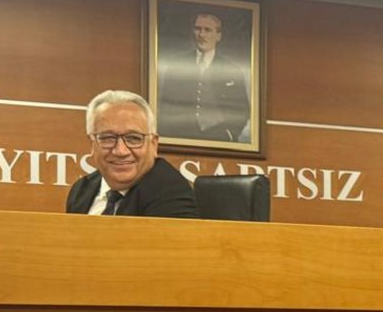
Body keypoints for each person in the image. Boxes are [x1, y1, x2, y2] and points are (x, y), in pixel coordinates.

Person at [63, 90, 198, 218]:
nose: (120, 151)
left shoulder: (171, 194)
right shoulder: (82, 190)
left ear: (153, 144)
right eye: (108, 138)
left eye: (134, 138)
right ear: (92, 144)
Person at [157, 12, 251, 143]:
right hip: (181, 136)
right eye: (198, 29)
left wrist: (229, 134)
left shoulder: (233, 70)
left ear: (218, 36)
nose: (201, 35)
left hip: (218, 137)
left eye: (207, 30)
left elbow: (242, 110)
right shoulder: (176, 65)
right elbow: (165, 106)